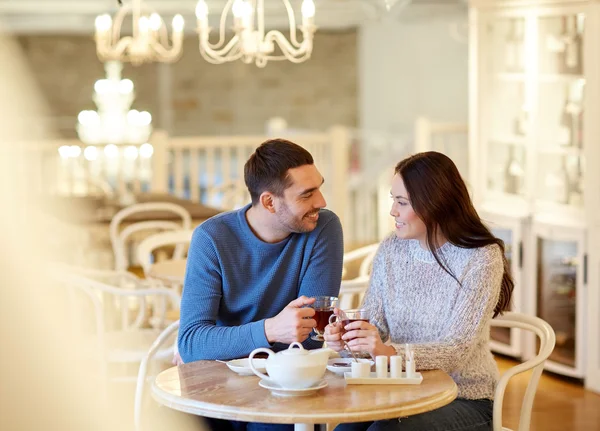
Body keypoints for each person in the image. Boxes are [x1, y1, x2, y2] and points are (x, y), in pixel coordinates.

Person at [324, 151, 513, 431]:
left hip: (464, 398)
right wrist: (349, 340)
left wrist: (386, 351)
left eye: (402, 202)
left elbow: (456, 351)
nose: (393, 211)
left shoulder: (481, 257)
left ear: (435, 203)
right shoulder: (391, 249)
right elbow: (374, 331)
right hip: (400, 390)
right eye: (393, 200)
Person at [178, 138, 344, 431]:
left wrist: (223, 342)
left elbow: (310, 336)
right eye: (307, 194)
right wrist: (271, 329)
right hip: (218, 384)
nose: (321, 202)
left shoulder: (323, 228)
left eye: (319, 187)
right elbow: (191, 343)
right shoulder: (211, 238)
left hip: (287, 383)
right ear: (269, 201)